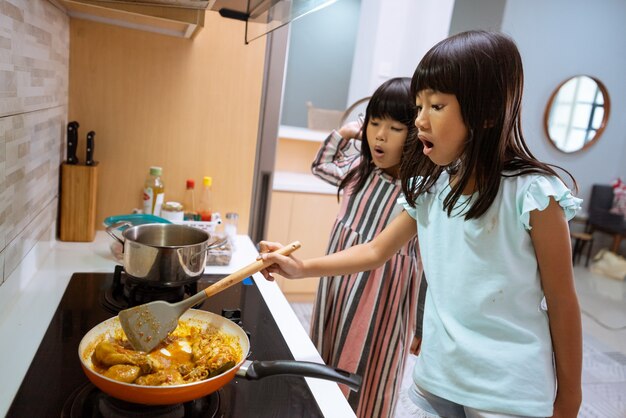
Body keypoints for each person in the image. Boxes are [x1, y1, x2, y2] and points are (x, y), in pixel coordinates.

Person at [259, 30, 583, 418]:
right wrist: (302, 268)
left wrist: (570, 399)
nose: (420, 120)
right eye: (419, 106)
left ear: (487, 112)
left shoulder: (534, 195)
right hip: (436, 381)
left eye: (436, 106)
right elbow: (375, 250)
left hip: (509, 392)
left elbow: (563, 303)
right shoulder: (429, 187)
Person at [308, 77, 425, 418]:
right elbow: (321, 166)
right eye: (374, 123)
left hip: (384, 296)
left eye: (394, 127)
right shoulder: (360, 169)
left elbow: (430, 264)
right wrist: (345, 133)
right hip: (338, 282)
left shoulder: (418, 193)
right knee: (325, 354)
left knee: (371, 372)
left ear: (415, 135)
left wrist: (422, 323)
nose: (380, 135)